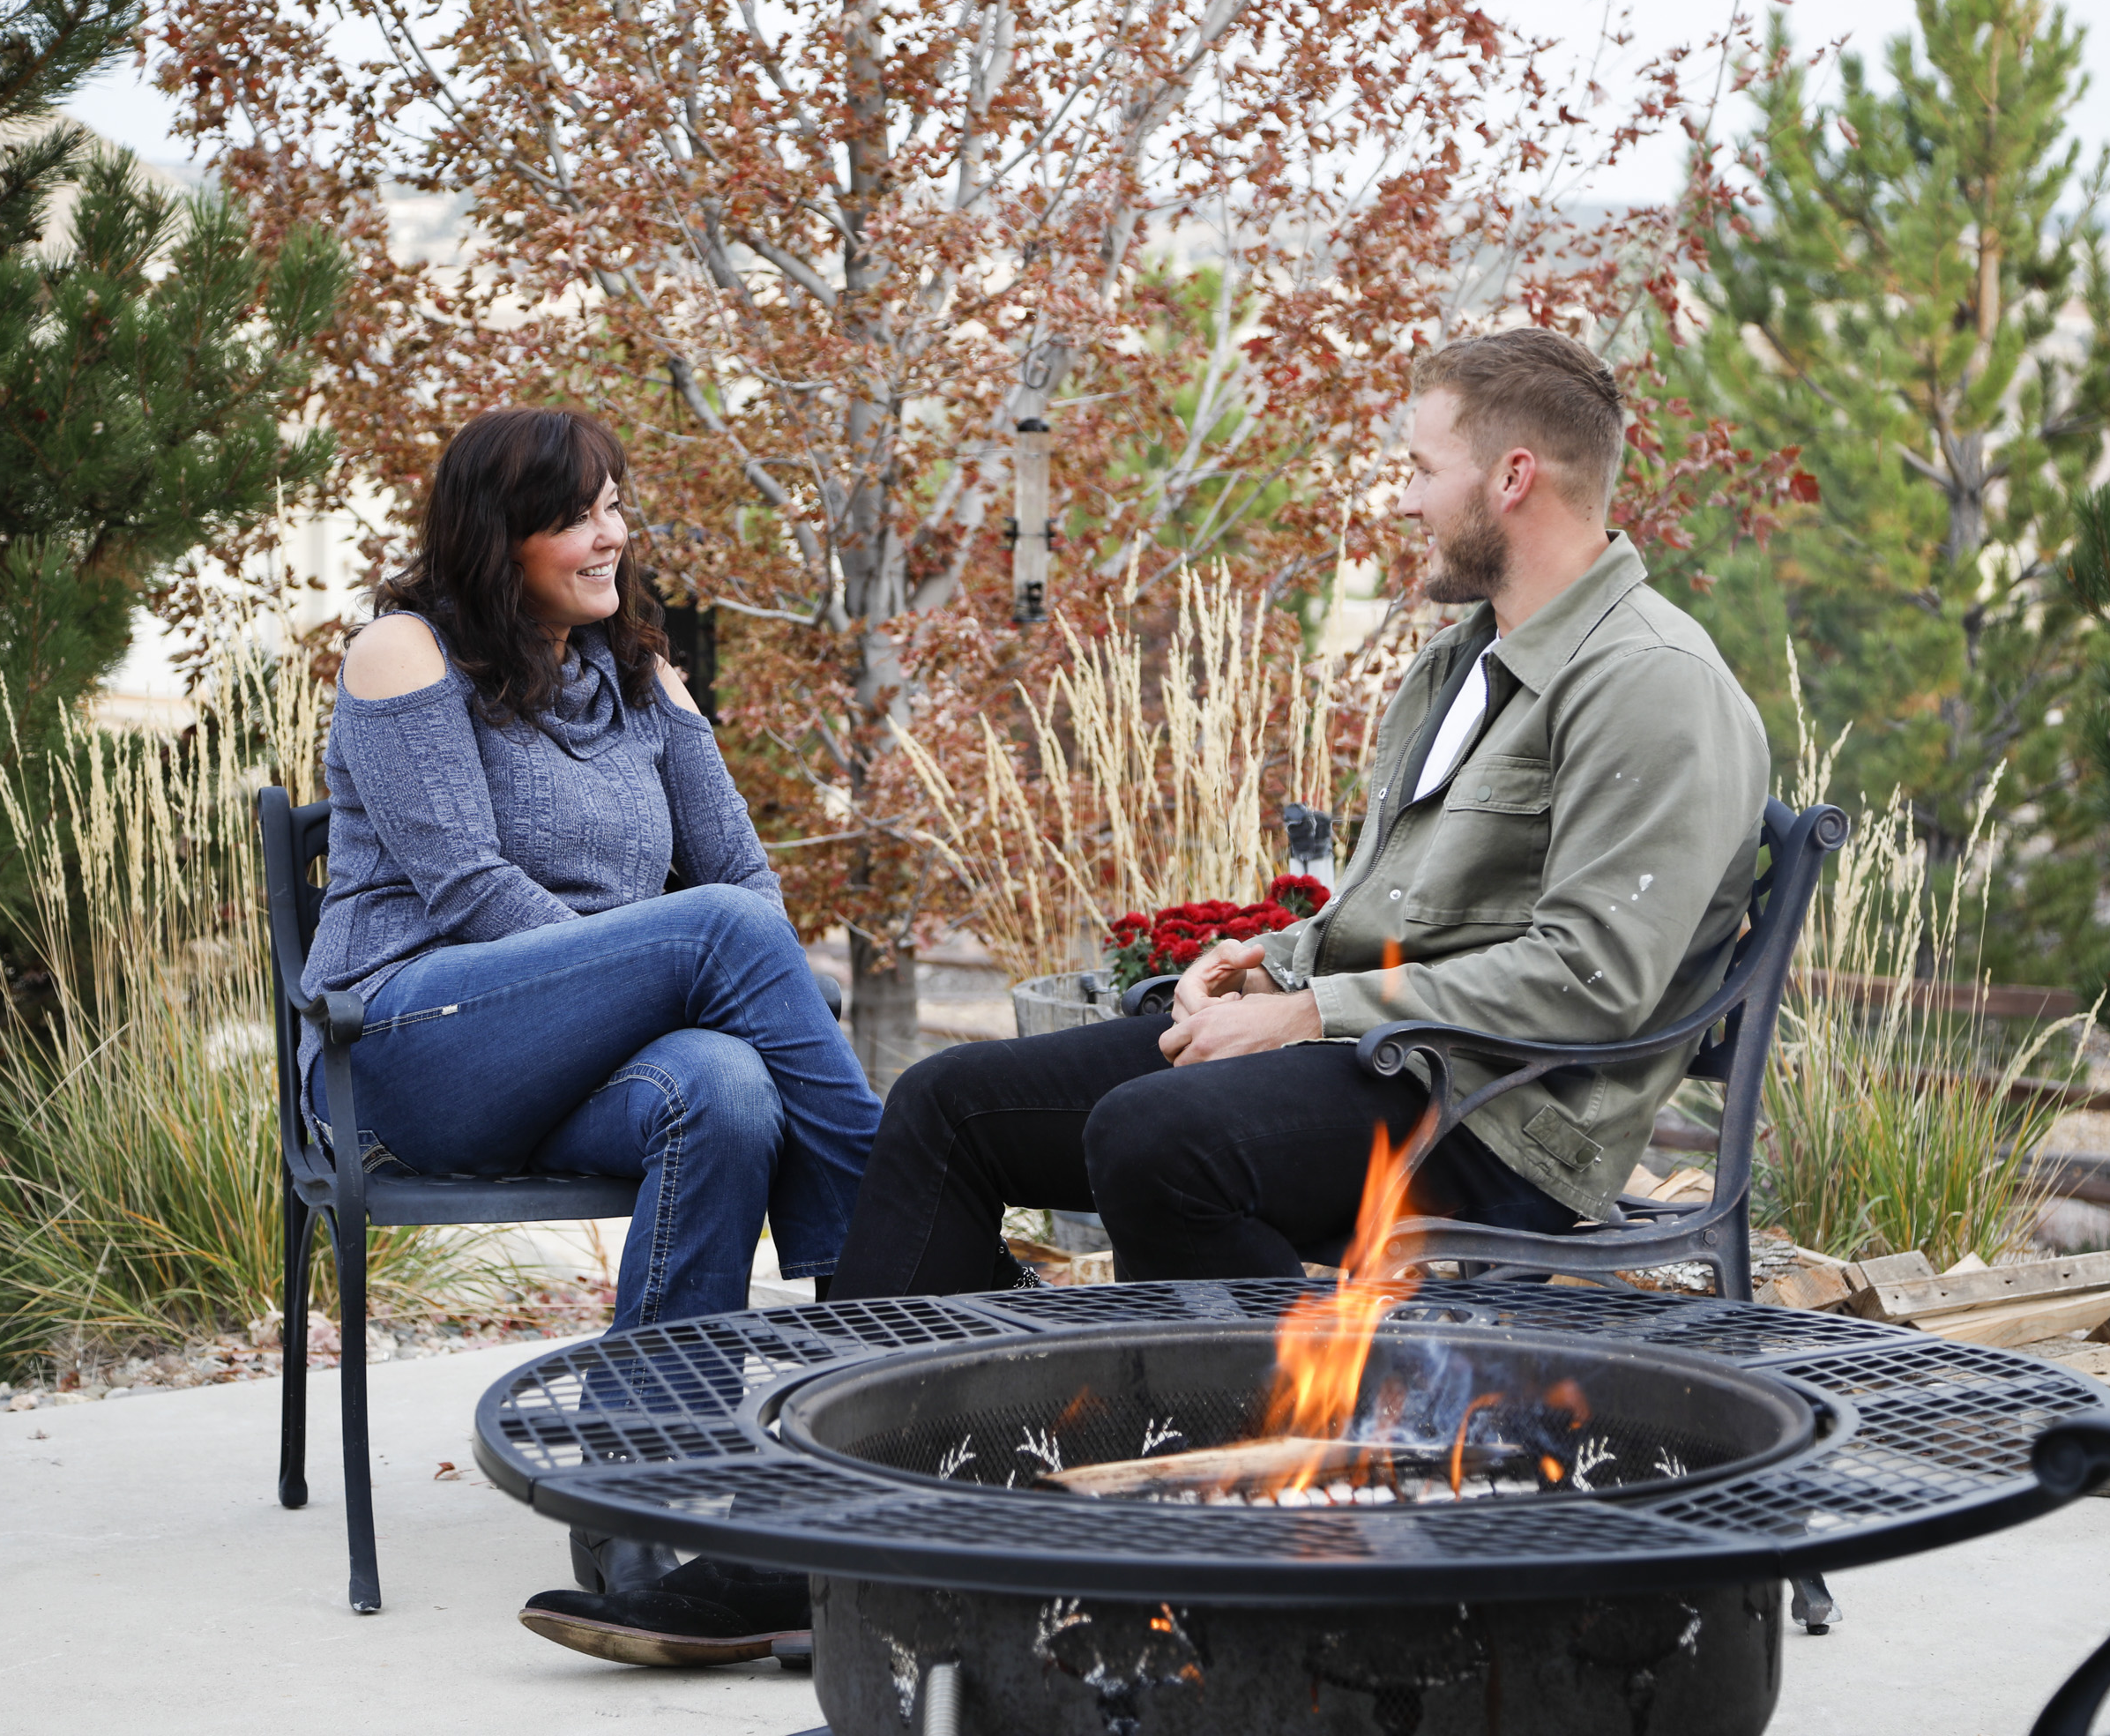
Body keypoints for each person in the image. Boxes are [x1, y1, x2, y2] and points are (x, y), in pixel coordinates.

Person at [831, 328, 1770, 1298]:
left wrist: (1307, 1011)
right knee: (945, 1103)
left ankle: (1300, 1430)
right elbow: (1421, 906)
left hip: (1500, 1115)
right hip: (1378, 1051)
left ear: (1513, 476)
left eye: (1421, 469)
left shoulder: (1651, 681)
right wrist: (1274, 963)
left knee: (1158, 1138)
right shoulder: (1465, 659)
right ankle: (893, 1425)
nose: (1404, 499)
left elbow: (1593, 975)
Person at [299, 406, 875, 1670]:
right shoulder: (404, 654)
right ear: (497, 537)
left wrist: (657, 967)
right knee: (710, 943)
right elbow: (466, 892)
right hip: (414, 1039)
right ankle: (888, 1260)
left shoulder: (637, 677)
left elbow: (748, 888)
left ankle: (636, 1505)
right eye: (580, 511)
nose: (614, 533)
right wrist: (654, 969)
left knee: (724, 1086)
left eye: (619, 503)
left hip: (596, 1053)